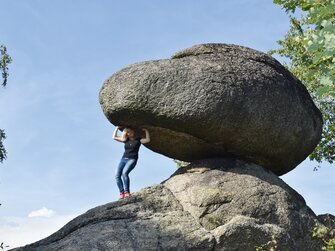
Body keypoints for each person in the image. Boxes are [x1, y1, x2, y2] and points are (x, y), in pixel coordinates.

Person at [113, 126, 150, 199]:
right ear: (127, 134)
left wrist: (146, 131)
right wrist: (116, 128)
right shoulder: (125, 140)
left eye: (131, 131)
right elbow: (114, 137)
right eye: (128, 132)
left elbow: (148, 140)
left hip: (132, 159)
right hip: (123, 159)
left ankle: (127, 192)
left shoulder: (138, 140)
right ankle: (121, 192)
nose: (130, 132)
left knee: (124, 173)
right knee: (117, 175)